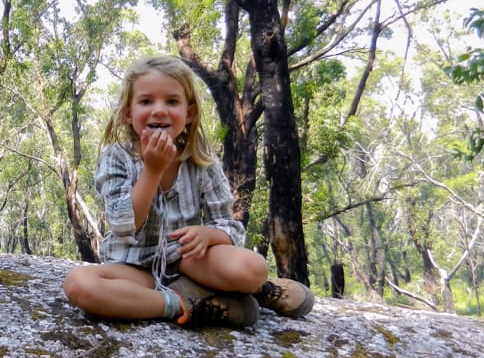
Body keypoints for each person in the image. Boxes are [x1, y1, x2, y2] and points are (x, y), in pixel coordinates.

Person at [63, 55, 313, 328]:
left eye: (172, 101)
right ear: (128, 113)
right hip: (135, 267)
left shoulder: (202, 160)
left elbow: (229, 227)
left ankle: (257, 289)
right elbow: (123, 224)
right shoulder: (116, 156)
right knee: (79, 284)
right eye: (146, 101)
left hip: (189, 261)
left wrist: (209, 235)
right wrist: (152, 171)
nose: (159, 110)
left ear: (189, 113)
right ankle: (186, 303)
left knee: (253, 268)